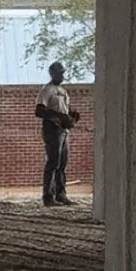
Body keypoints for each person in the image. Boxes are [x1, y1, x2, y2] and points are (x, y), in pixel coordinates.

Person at [34, 62, 79, 205]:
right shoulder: (47, 90)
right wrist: (59, 117)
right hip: (52, 129)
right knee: (53, 162)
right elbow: (39, 110)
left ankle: (61, 194)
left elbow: (65, 109)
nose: (62, 76)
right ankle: (48, 196)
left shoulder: (63, 91)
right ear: (52, 74)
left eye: (63, 73)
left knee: (62, 163)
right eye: (60, 73)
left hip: (63, 130)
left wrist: (71, 116)